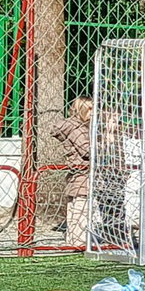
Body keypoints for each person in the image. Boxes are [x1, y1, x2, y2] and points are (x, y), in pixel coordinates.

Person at [46, 98, 94, 245]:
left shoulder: (76, 127)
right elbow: (86, 150)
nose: (93, 113)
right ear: (81, 110)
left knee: (75, 207)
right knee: (81, 206)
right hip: (82, 172)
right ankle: (78, 241)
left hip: (78, 172)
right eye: (90, 109)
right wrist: (102, 148)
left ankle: (73, 238)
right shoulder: (78, 129)